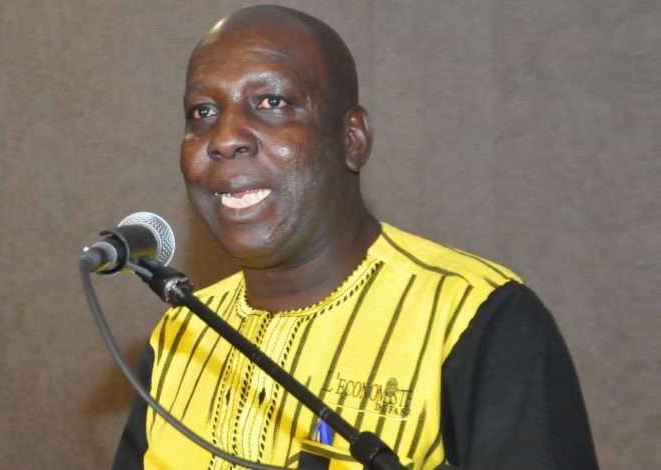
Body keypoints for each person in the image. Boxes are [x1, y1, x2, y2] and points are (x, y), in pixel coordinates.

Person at [113, 5, 599, 470]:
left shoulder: (478, 318)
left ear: (352, 139)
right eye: (202, 112)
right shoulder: (180, 335)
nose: (224, 138)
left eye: (272, 103)